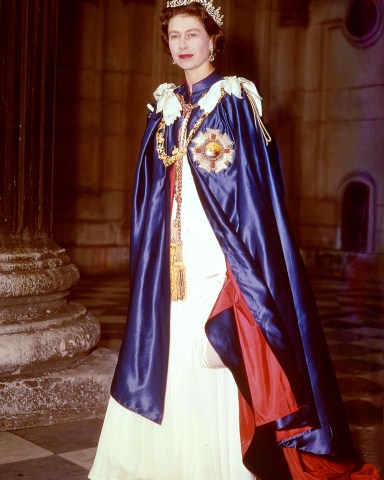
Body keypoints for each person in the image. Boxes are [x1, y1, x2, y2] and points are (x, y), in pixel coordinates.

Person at [89, 1, 381, 479]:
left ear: (212, 40)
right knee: (168, 343)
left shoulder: (235, 102)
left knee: (216, 353)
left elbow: (251, 194)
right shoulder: (163, 107)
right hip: (172, 253)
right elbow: (150, 192)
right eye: (174, 36)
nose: (182, 45)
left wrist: (237, 264)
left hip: (220, 255)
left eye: (191, 35)